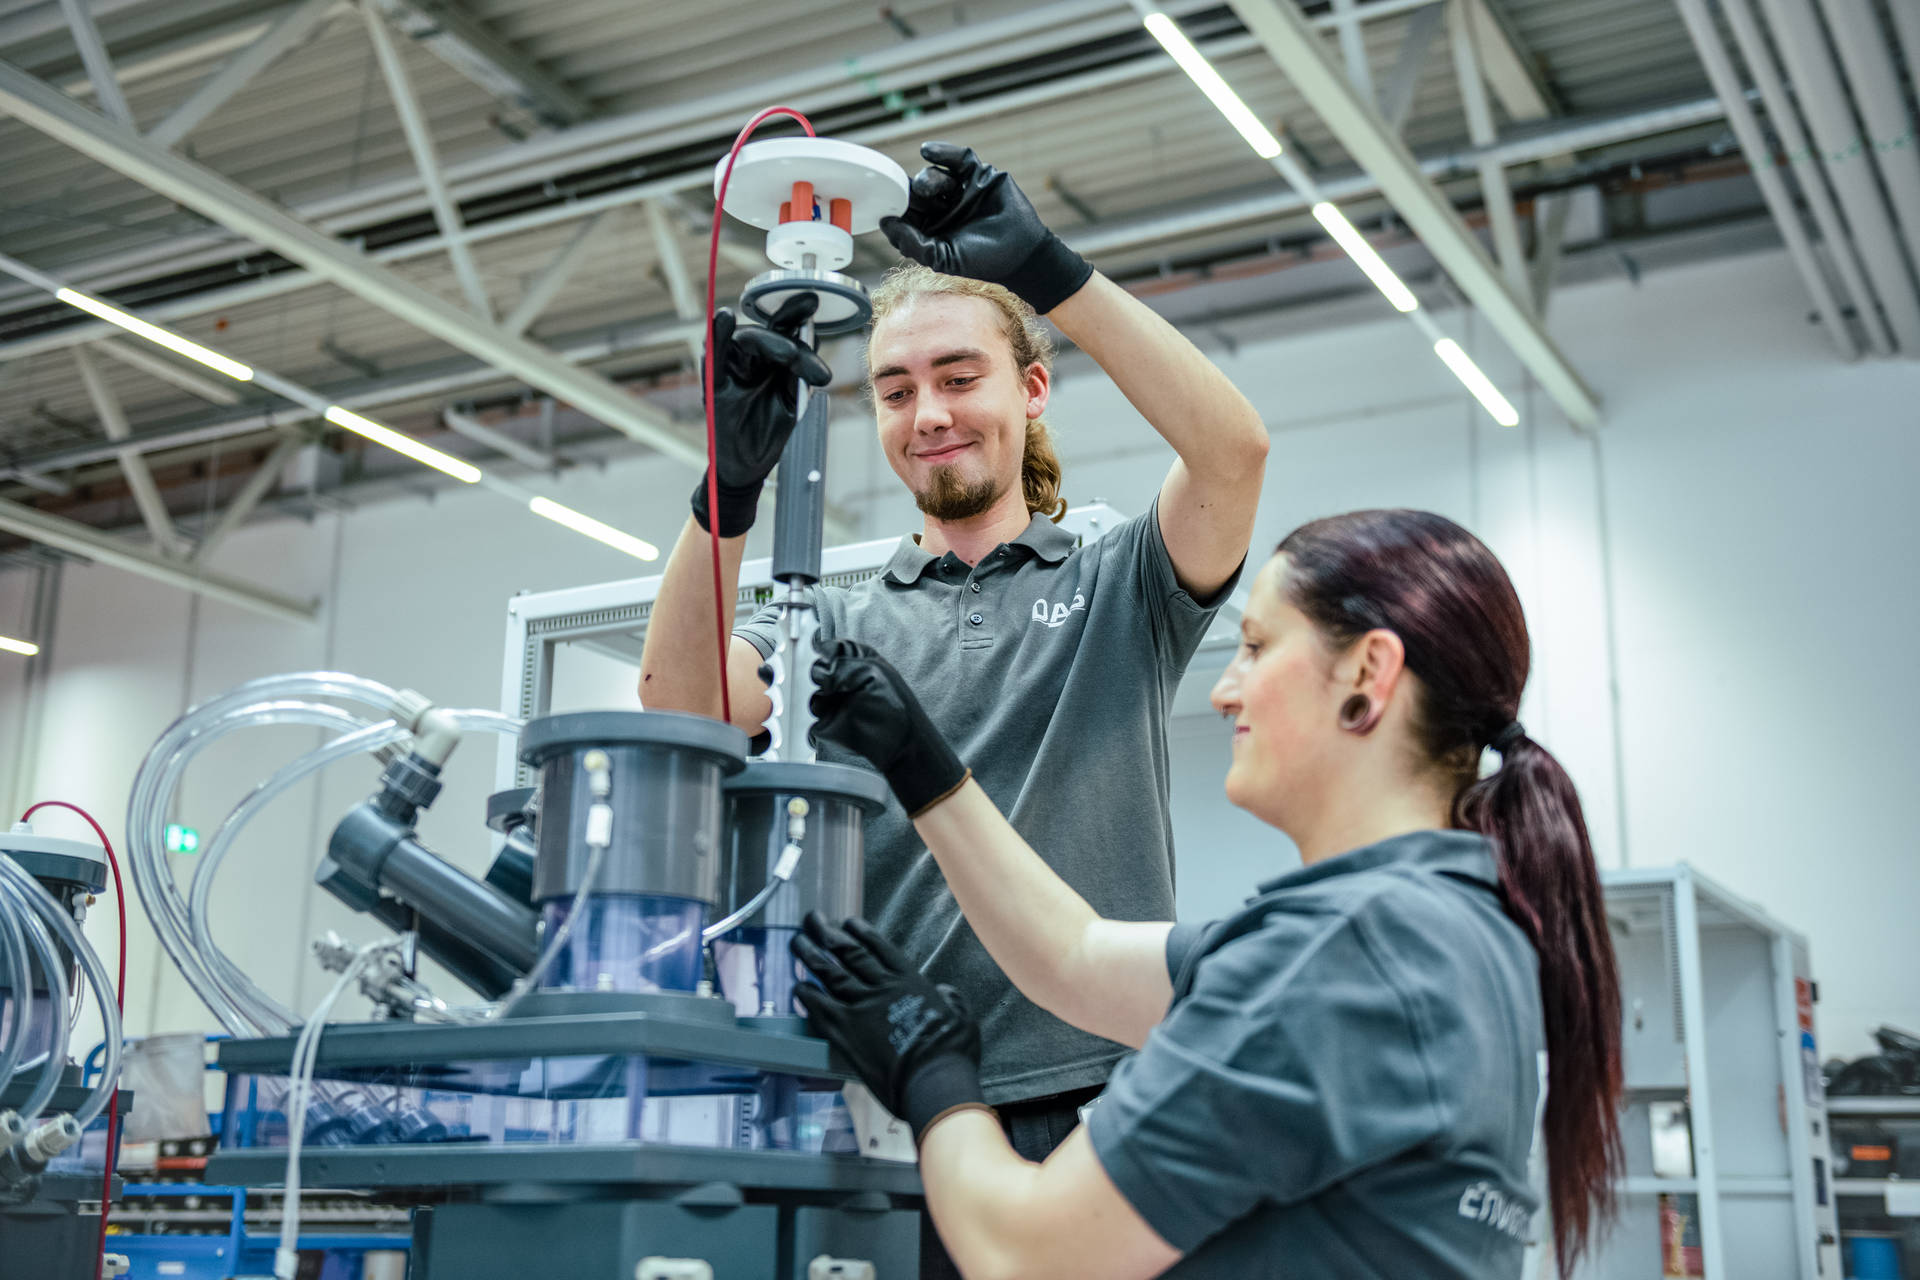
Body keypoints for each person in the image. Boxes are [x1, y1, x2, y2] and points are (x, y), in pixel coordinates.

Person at [637, 138, 1270, 1247]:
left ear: (1030, 388)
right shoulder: (833, 622)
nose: (927, 411)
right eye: (895, 389)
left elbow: (1232, 452)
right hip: (889, 1107)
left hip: (1099, 1089)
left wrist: (1046, 270)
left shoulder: (1120, 581)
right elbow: (679, 707)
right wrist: (725, 495)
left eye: (958, 376)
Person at [791, 508, 1625, 1279]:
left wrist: (931, 1069)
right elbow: (1073, 958)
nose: (1227, 688)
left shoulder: (1339, 957)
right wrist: (920, 764)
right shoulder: (1457, 921)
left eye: (1258, 648)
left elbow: (1023, 1250)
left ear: (1369, 673)